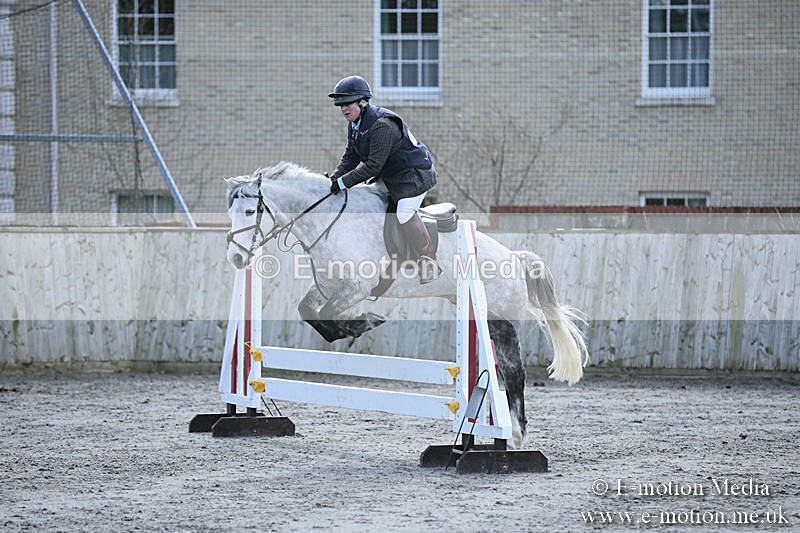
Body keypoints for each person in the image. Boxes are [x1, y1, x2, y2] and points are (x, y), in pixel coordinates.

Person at [327, 75, 441, 284]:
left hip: (413, 174)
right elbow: (351, 156)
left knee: (404, 213)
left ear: (363, 101)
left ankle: (428, 260)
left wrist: (342, 183)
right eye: (340, 104)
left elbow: (372, 166)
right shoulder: (355, 124)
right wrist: (335, 176)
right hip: (391, 175)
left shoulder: (381, 125)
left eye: (347, 103)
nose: (343, 108)